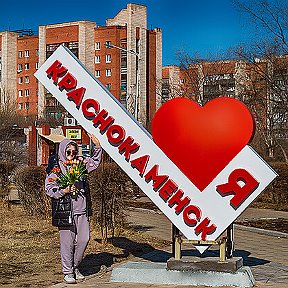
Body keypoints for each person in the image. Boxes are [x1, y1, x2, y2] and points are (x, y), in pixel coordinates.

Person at [45, 133, 102, 284]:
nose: (71, 155)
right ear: (63, 152)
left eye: (74, 152)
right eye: (68, 152)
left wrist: (97, 146)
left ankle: (75, 266)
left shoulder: (81, 164)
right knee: (67, 243)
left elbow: (94, 162)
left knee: (84, 239)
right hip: (66, 211)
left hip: (81, 210)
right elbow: (49, 189)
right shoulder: (56, 169)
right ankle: (68, 272)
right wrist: (63, 191)